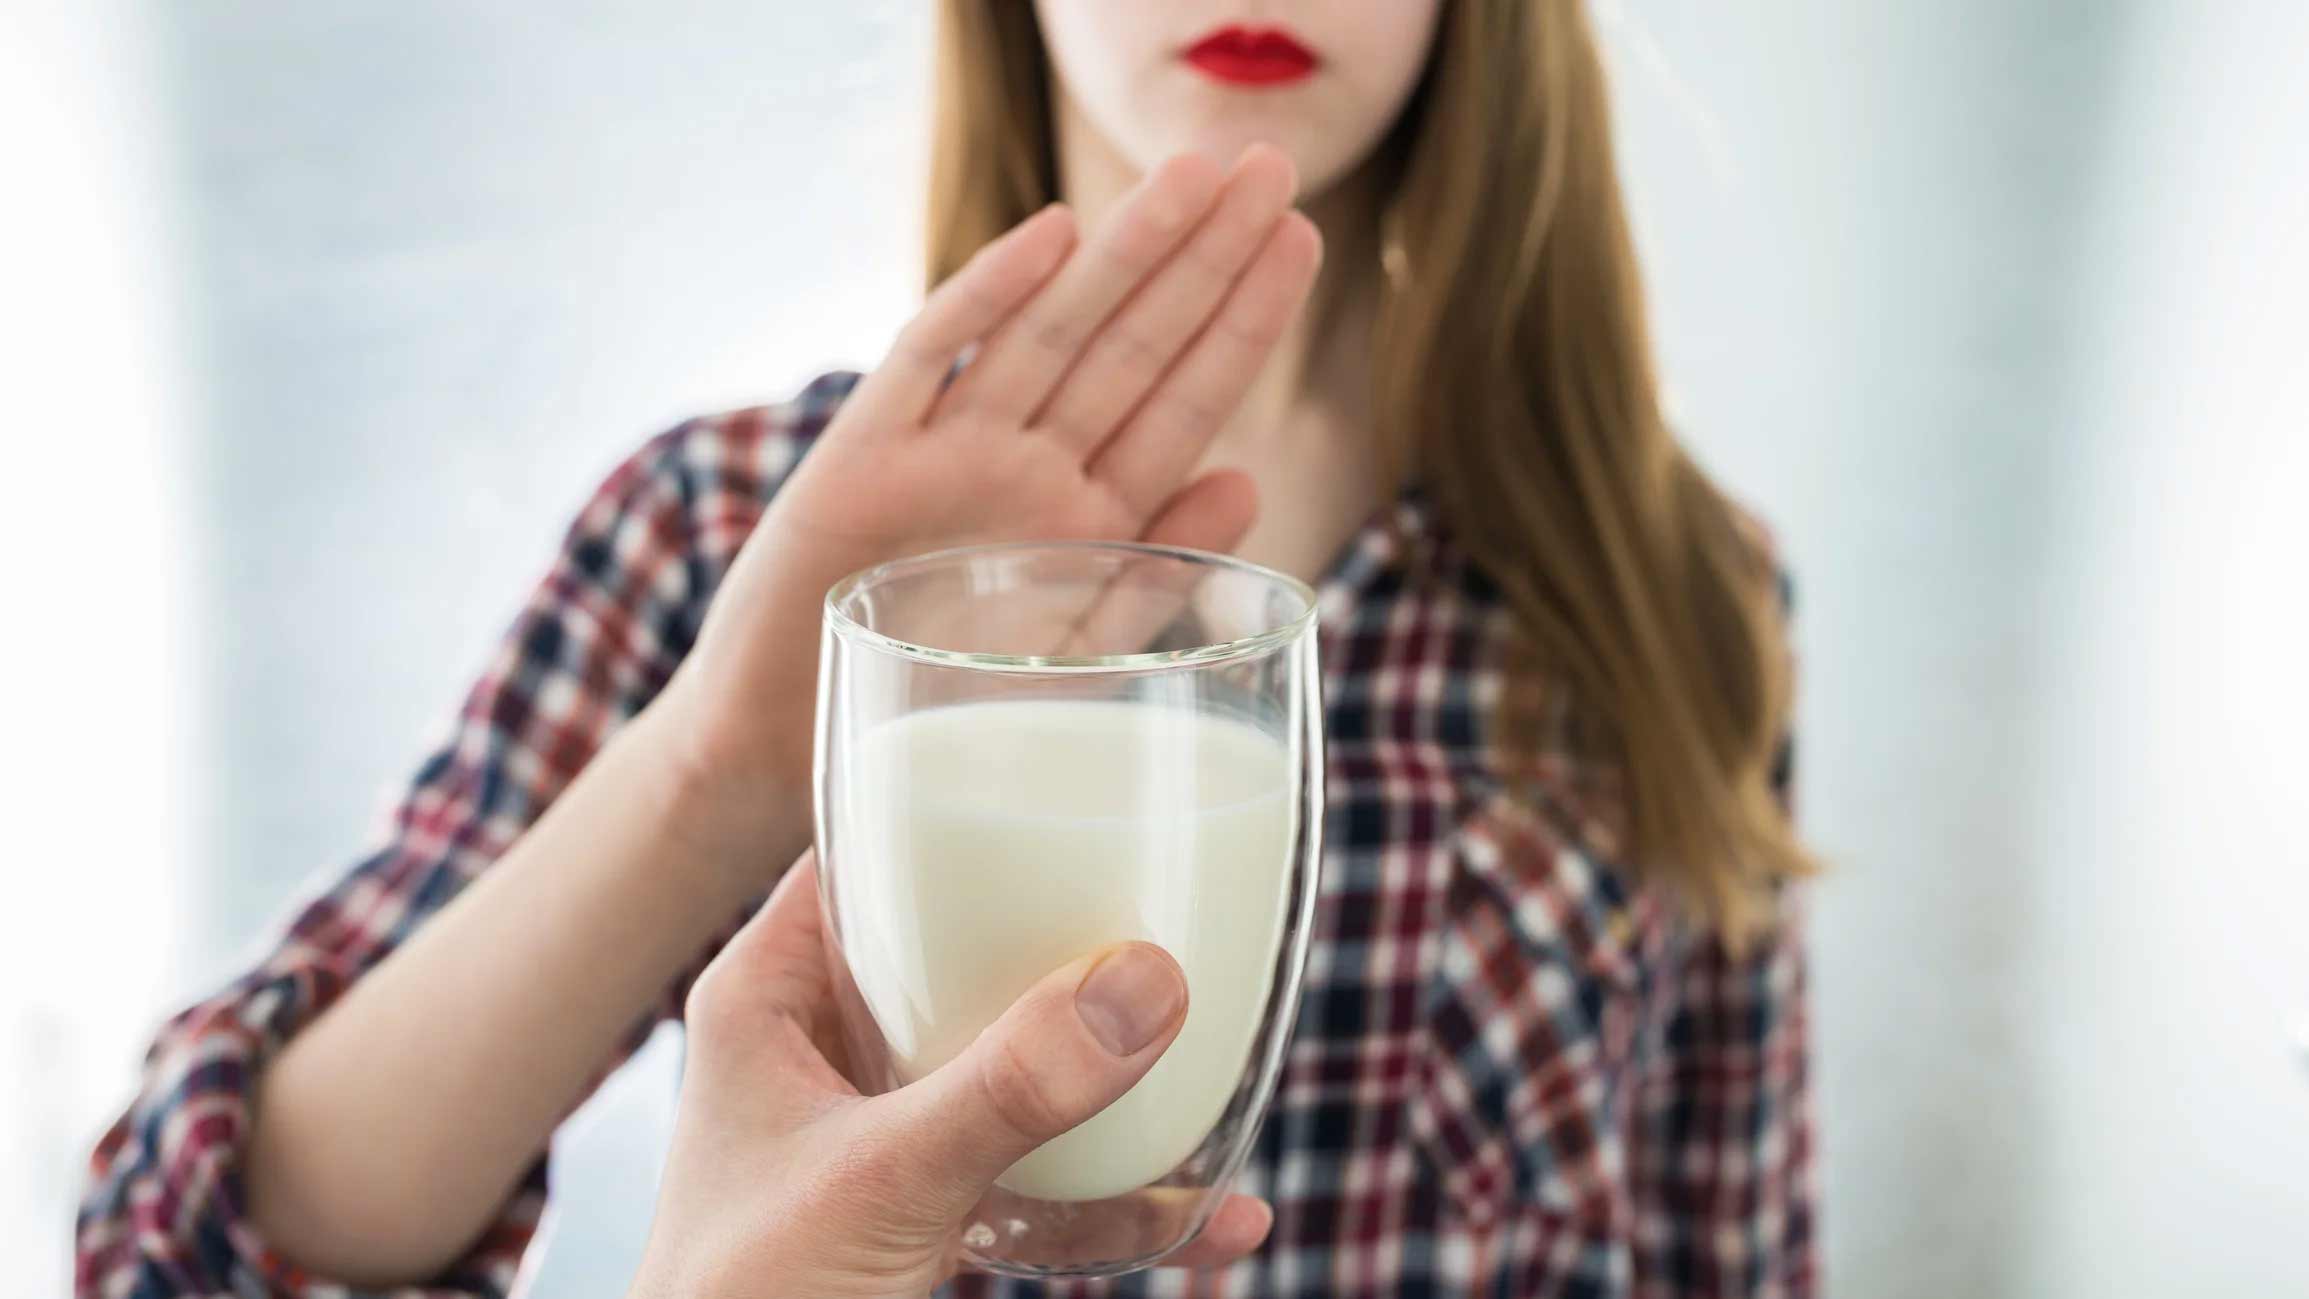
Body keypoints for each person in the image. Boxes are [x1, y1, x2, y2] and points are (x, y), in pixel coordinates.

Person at [79, 2, 1817, 1296]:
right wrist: (726, 763)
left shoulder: (1669, 594)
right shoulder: (732, 528)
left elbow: (1731, 1254)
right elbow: (193, 1248)